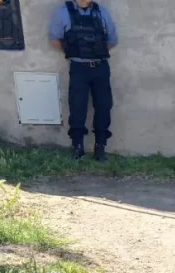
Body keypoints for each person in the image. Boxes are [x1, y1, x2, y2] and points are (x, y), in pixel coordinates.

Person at [48, 0, 118, 161]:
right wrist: (76, 52)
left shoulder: (102, 12)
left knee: (104, 106)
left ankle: (100, 147)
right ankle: (77, 147)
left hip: (100, 67)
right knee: (77, 106)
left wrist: (94, 51)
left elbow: (113, 39)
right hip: (79, 68)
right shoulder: (63, 12)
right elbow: (54, 39)